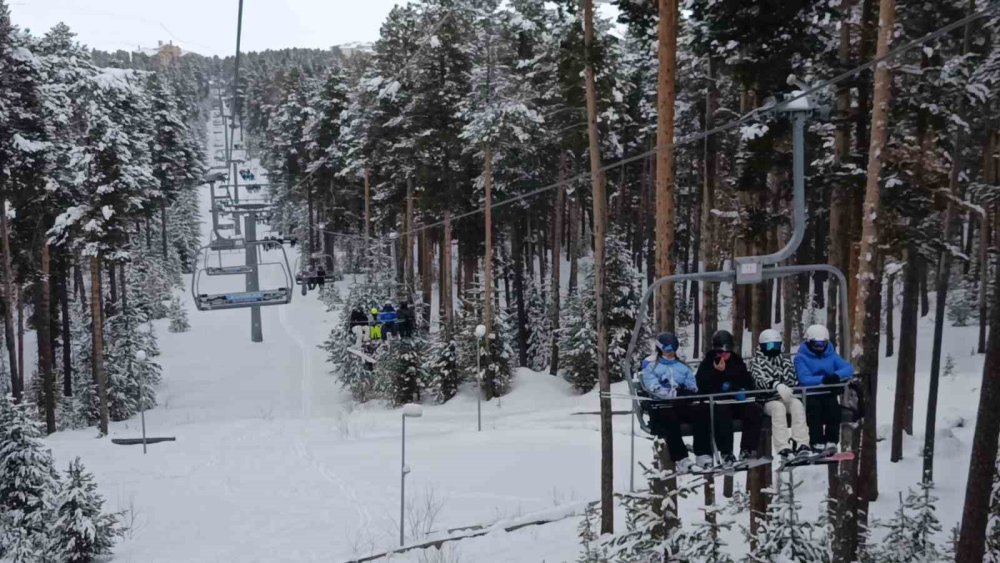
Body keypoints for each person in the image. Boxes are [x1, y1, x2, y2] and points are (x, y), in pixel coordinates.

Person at [641, 332, 712, 472]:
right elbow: (653, 387)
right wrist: (671, 392)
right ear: (660, 349)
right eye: (667, 350)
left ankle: (702, 454)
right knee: (670, 418)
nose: (670, 353)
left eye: (673, 350)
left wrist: (686, 391)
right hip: (662, 407)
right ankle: (681, 458)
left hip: (681, 404)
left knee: (701, 412)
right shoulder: (651, 367)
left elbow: (692, 385)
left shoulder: (682, 367)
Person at [695, 330, 763, 465]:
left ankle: (747, 449)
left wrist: (741, 389)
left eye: (727, 352)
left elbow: (746, 380)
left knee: (753, 410)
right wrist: (717, 373)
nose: (724, 355)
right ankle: (726, 452)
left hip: (736, 401)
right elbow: (702, 385)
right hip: (718, 403)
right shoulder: (708, 363)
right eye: (720, 352)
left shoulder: (737, 362)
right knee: (722, 412)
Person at [751, 329, 812, 459]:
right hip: (767, 400)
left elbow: (792, 378)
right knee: (778, 408)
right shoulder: (757, 362)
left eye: (776, 345)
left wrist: (786, 386)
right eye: (770, 346)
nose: (773, 349)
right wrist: (775, 384)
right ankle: (782, 446)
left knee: (797, 405)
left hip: (785, 396)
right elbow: (759, 380)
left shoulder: (784, 360)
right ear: (762, 346)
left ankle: (801, 443)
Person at [794, 324, 854, 451]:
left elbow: (849, 368)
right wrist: (823, 379)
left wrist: (836, 376)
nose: (820, 348)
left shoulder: (831, 356)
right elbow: (804, 378)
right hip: (810, 394)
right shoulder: (801, 358)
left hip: (827, 393)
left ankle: (831, 441)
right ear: (809, 343)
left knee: (833, 408)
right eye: (816, 344)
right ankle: (816, 441)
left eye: (822, 344)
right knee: (815, 411)